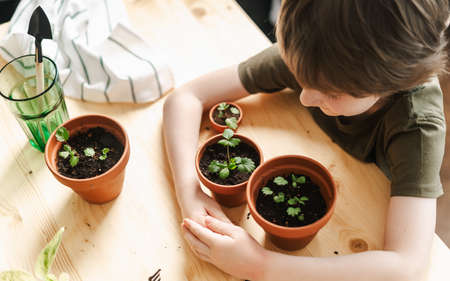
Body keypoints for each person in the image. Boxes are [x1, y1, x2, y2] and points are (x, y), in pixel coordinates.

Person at [162, 1, 449, 280]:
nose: (305, 97)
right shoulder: (316, 51)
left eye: (332, 94)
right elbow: (185, 98)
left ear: (397, 84)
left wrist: (260, 266)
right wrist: (190, 193)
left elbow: (408, 266)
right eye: (298, 74)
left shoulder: (418, 126)